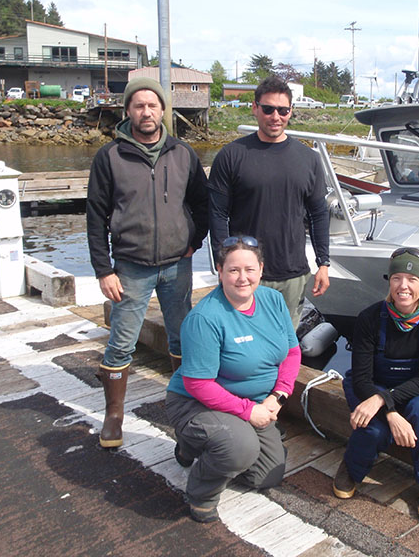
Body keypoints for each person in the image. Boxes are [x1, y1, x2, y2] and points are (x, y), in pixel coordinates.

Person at [86, 77, 209, 449]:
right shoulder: (110, 157)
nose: (146, 112)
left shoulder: (183, 153)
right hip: (130, 267)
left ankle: (183, 407)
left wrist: (194, 241)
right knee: (121, 342)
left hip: (177, 265)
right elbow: (95, 217)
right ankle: (114, 416)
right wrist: (103, 269)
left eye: (153, 105)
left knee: (182, 336)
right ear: (128, 112)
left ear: (162, 111)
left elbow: (203, 204)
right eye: (139, 106)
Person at [165, 236, 301, 523]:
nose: (243, 278)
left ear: (261, 270)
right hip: (196, 403)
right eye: (233, 270)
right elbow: (198, 384)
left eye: (249, 269)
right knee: (239, 448)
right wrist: (249, 412)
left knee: (267, 475)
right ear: (220, 270)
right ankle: (201, 492)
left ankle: (202, 447)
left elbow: (291, 352)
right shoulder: (206, 318)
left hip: (255, 402)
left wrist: (278, 396)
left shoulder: (273, 300)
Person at [332, 247, 419, 521]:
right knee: (373, 428)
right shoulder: (369, 318)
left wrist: (384, 400)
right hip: (372, 385)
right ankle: (352, 466)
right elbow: (362, 378)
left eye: (412, 279)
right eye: (397, 278)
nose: (403, 286)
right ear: (390, 282)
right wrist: (391, 411)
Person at [208, 76, 330, 329]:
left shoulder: (309, 159)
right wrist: (223, 264)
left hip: (292, 272)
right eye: (268, 109)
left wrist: (323, 263)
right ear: (255, 108)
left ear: (290, 112)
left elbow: (319, 213)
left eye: (283, 110)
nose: (276, 116)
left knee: (284, 344)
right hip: (245, 273)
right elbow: (217, 214)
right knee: (243, 343)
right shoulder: (231, 155)